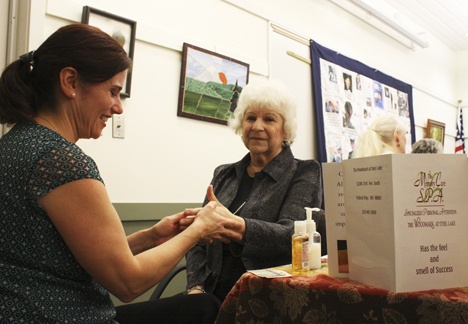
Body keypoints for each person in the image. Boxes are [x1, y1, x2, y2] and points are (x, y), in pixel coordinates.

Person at [0, 23, 242, 323]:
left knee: (201, 306)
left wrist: (153, 236)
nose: (118, 107)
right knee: (205, 309)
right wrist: (198, 230)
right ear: (70, 81)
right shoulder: (59, 160)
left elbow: (77, 258)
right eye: (113, 91)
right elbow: (128, 282)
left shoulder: (15, 143)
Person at [185, 79, 323, 302]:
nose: (257, 126)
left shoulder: (304, 172)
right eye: (251, 118)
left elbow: (292, 236)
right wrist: (195, 288)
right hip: (208, 296)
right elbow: (197, 239)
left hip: (267, 297)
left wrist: (236, 225)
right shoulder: (224, 174)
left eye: (269, 119)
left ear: (285, 129)